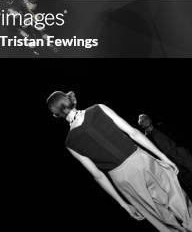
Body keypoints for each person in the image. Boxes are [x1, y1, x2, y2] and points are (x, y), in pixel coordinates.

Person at [47, 90, 192, 231]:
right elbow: (133, 132)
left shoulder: (70, 143)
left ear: (55, 115)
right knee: (178, 200)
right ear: (72, 100)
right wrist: (164, 157)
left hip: (122, 179)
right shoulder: (98, 109)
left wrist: (124, 204)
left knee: (161, 219)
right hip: (139, 159)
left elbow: (97, 175)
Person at [138, 114, 192, 195]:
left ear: (150, 119)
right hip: (169, 160)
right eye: (142, 121)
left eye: (146, 118)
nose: (145, 121)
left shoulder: (161, 125)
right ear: (141, 125)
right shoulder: (146, 139)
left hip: (179, 151)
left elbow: (176, 133)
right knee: (185, 177)